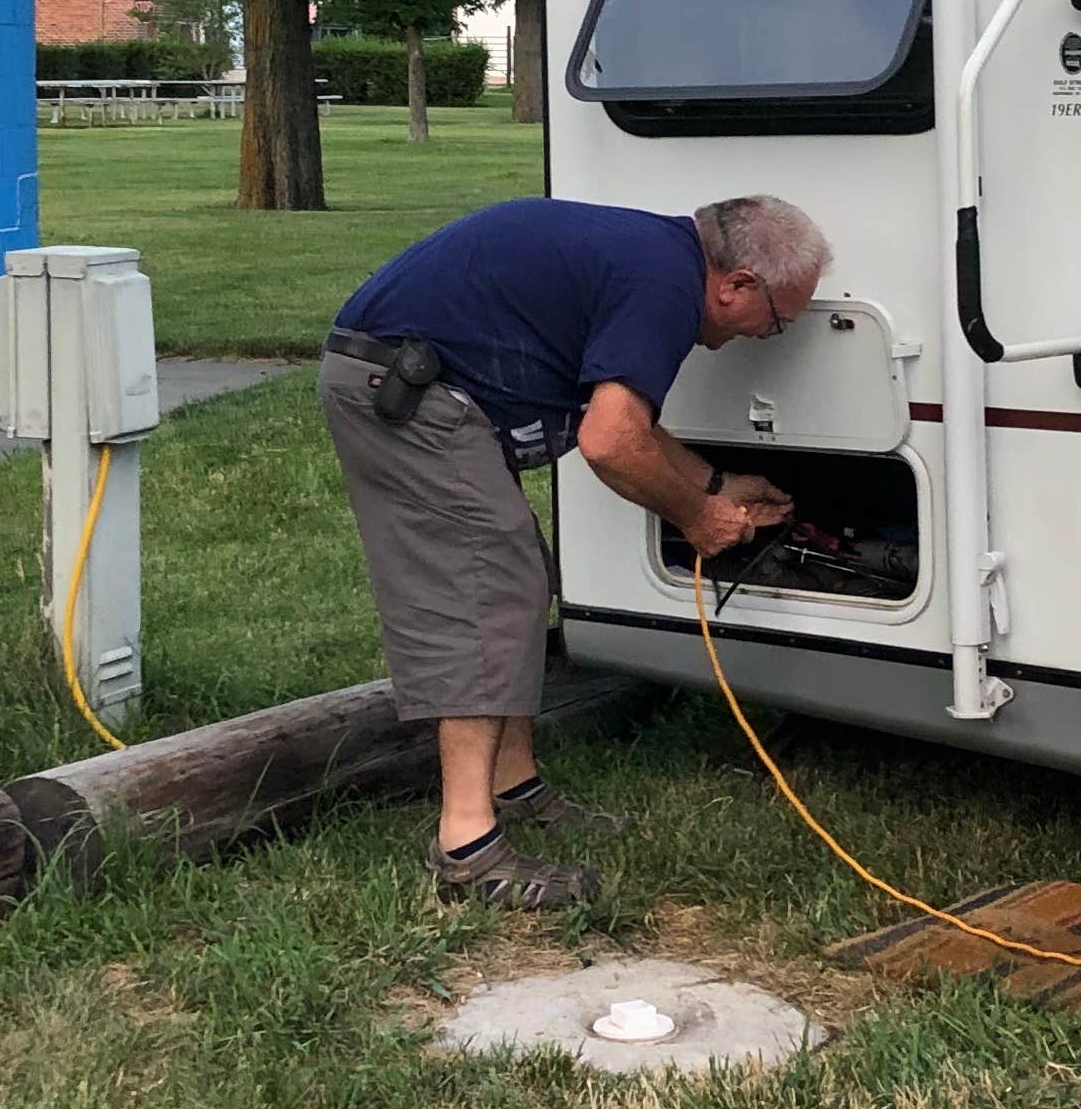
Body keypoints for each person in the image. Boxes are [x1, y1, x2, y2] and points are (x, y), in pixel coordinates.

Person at [321, 193, 826, 907]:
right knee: (483, 591)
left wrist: (717, 481)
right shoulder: (661, 285)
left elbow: (624, 427)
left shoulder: (659, 259)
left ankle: (514, 786)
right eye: (774, 324)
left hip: (423, 381)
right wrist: (702, 517)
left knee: (516, 578)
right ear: (735, 285)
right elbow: (611, 443)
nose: (761, 336)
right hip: (404, 390)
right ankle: (466, 846)